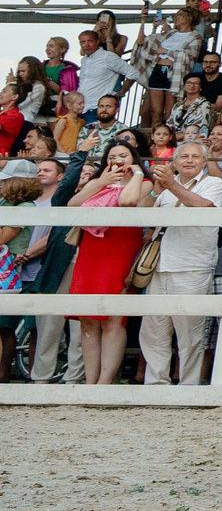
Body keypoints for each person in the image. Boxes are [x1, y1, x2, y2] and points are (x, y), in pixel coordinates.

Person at [137, 138, 222, 386]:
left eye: (195, 157)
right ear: (174, 161)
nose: (189, 160)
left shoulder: (214, 183)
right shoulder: (167, 184)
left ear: (204, 162)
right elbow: (141, 212)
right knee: (153, 331)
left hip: (192, 266)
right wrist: (156, 189)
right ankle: (156, 386)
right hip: (158, 265)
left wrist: (170, 185)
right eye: (184, 156)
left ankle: (188, 386)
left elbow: (203, 207)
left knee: (190, 333)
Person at [66, 140, 152, 385]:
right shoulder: (97, 183)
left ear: (132, 157)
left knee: (114, 317)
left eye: (123, 155)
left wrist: (135, 172)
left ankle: (105, 381)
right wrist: (102, 182)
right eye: (112, 155)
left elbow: (127, 201)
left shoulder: (143, 182)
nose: (118, 159)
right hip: (91, 249)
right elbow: (72, 205)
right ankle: (90, 381)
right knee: (87, 317)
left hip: (120, 249)